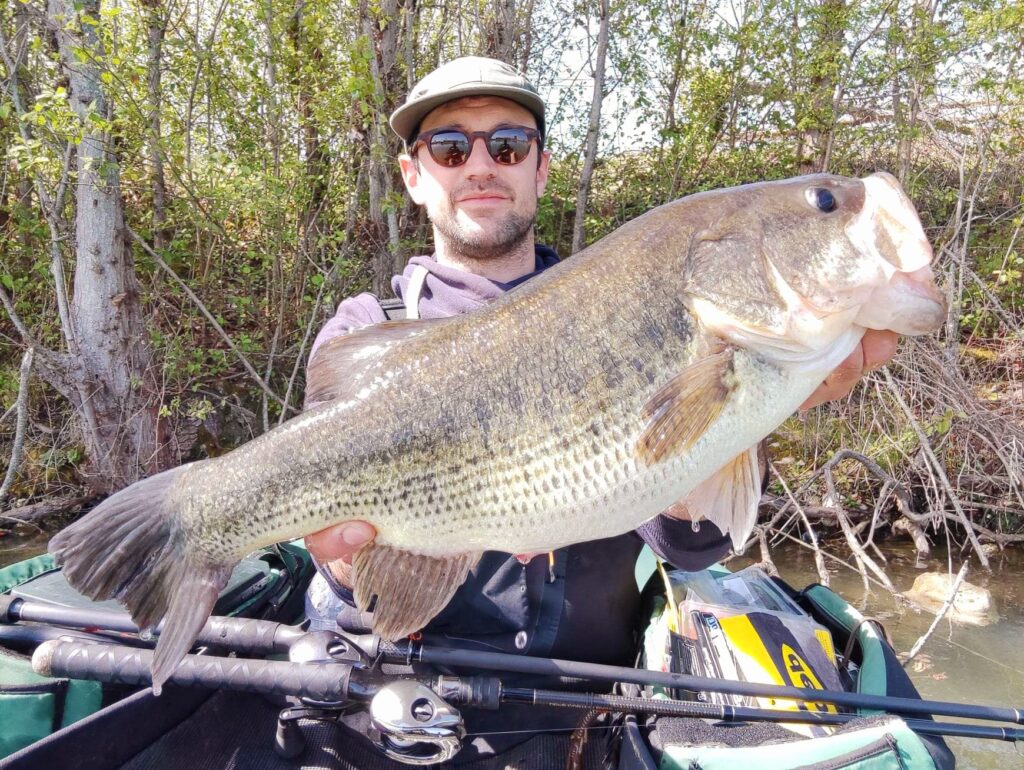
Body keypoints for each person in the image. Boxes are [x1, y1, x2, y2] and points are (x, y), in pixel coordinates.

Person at [302, 56, 898, 763]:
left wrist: (748, 414)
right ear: (413, 174)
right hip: (395, 698)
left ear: (541, 168)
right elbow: (353, 579)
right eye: (451, 147)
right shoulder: (367, 334)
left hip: (582, 719)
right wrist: (342, 561)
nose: (481, 165)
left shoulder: (629, 306)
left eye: (509, 145)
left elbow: (690, 545)